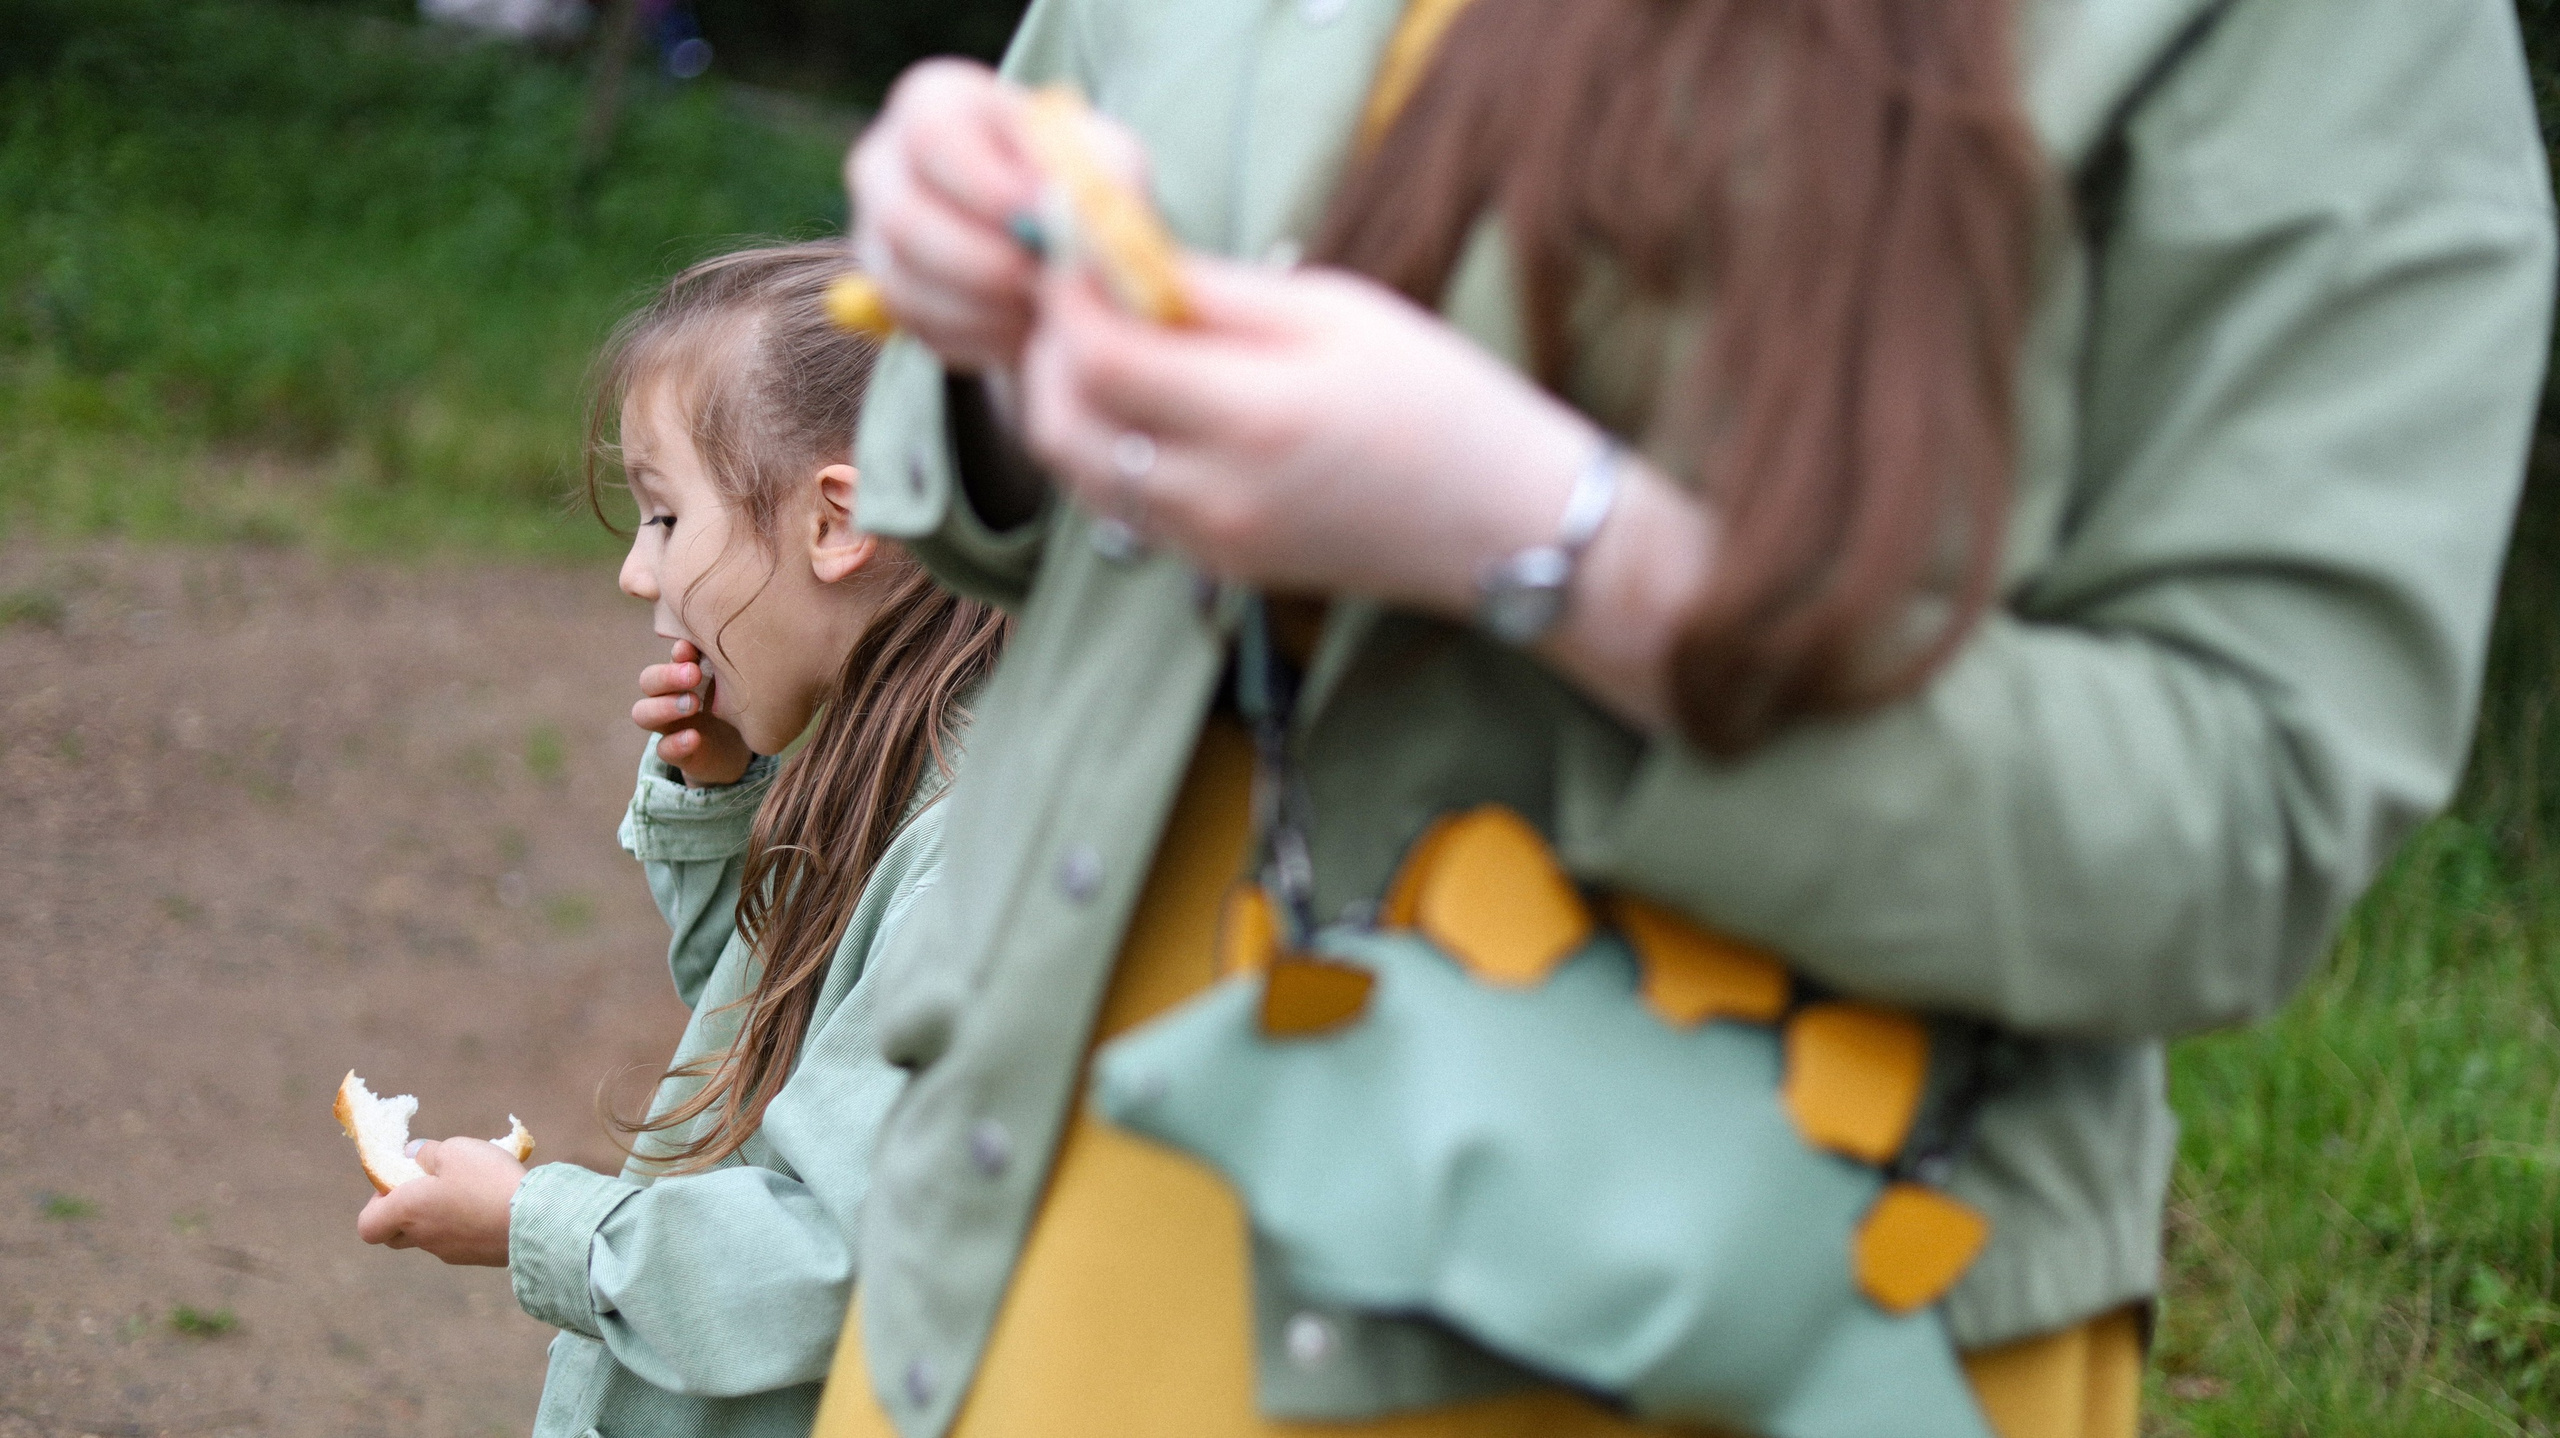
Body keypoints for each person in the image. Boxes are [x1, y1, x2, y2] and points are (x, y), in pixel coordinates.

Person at [817, 0, 2556, 1434]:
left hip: (1696, 1343)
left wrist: (1547, 537)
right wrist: (984, 312)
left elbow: (2241, 826)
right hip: (1009, 1258)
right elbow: (981, 449)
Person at [351, 243, 1006, 1437]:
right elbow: (769, 1048)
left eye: (664, 513)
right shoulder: (899, 749)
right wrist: (723, 798)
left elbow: (837, 1255)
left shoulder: (975, 844)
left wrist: (536, 1225)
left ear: (836, 521)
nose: (633, 569)